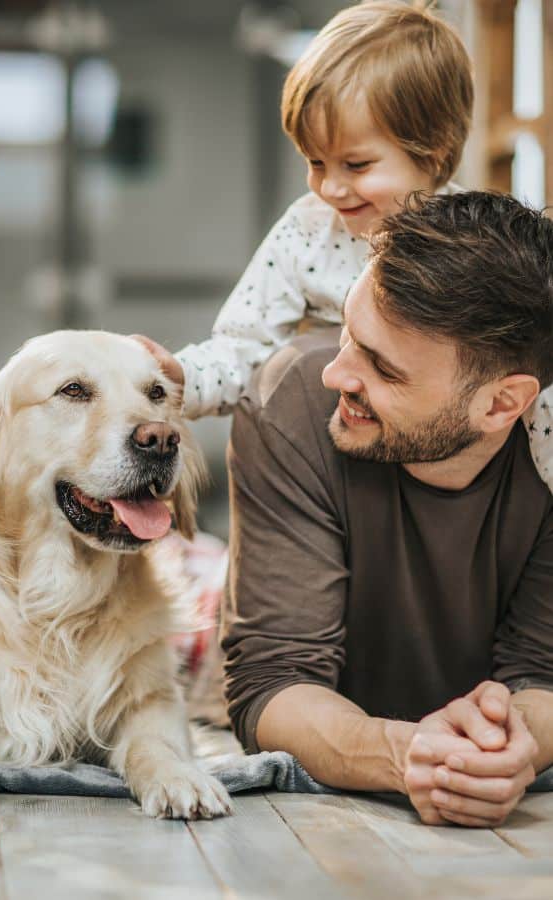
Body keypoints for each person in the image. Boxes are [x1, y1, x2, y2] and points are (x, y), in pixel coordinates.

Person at [222, 190, 553, 827]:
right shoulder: (290, 404)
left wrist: (516, 745)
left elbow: (542, 674)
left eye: (381, 367)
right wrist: (410, 755)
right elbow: (271, 682)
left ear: (502, 405)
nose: (336, 375)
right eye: (349, 334)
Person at [143, 0, 553, 493]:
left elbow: (528, 372)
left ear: (435, 150)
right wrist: (180, 377)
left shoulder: (473, 243)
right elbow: (244, 347)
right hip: (334, 470)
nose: (330, 188)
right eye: (315, 162)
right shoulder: (307, 232)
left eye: (356, 166)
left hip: (445, 468)